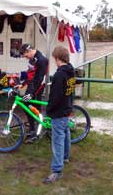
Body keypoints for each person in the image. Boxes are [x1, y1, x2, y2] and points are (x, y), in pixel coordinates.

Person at [43, 46, 75, 183]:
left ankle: (57, 170)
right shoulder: (71, 71)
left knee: (57, 141)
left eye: (54, 59)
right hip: (67, 109)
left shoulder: (59, 75)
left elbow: (54, 97)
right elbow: (70, 91)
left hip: (59, 112)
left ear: (57, 58)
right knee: (66, 133)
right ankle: (66, 157)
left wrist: (48, 110)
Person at [19, 43, 48, 143]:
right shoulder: (33, 59)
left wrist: (31, 93)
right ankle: (32, 129)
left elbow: (39, 79)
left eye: (26, 55)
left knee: (34, 109)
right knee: (26, 105)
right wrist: (22, 83)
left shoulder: (41, 60)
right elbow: (29, 73)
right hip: (32, 86)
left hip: (38, 88)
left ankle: (36, 133)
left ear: (29, 51)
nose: (26, 58)